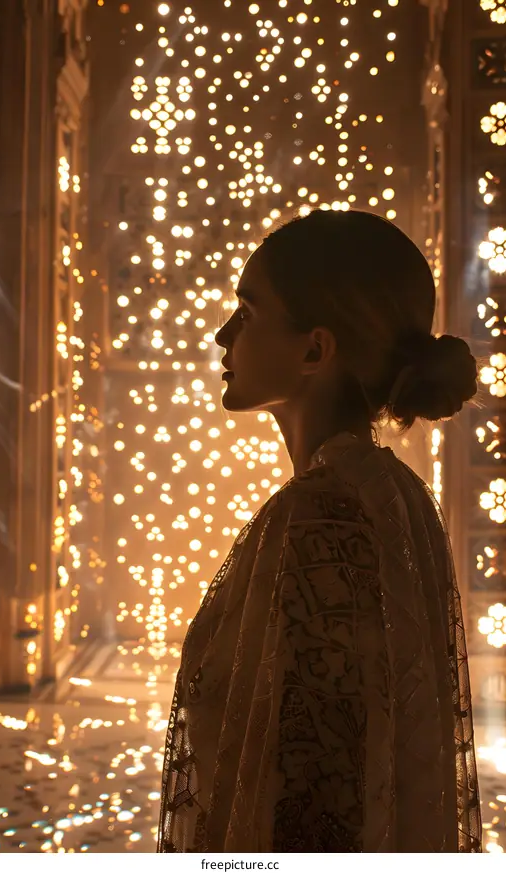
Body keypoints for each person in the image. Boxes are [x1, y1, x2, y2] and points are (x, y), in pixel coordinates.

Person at [157, 209, 482, 853]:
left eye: (247, 315)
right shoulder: (389, 493)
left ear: (314, 349)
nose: (224, 336)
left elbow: (319, 786)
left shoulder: (323, 516)